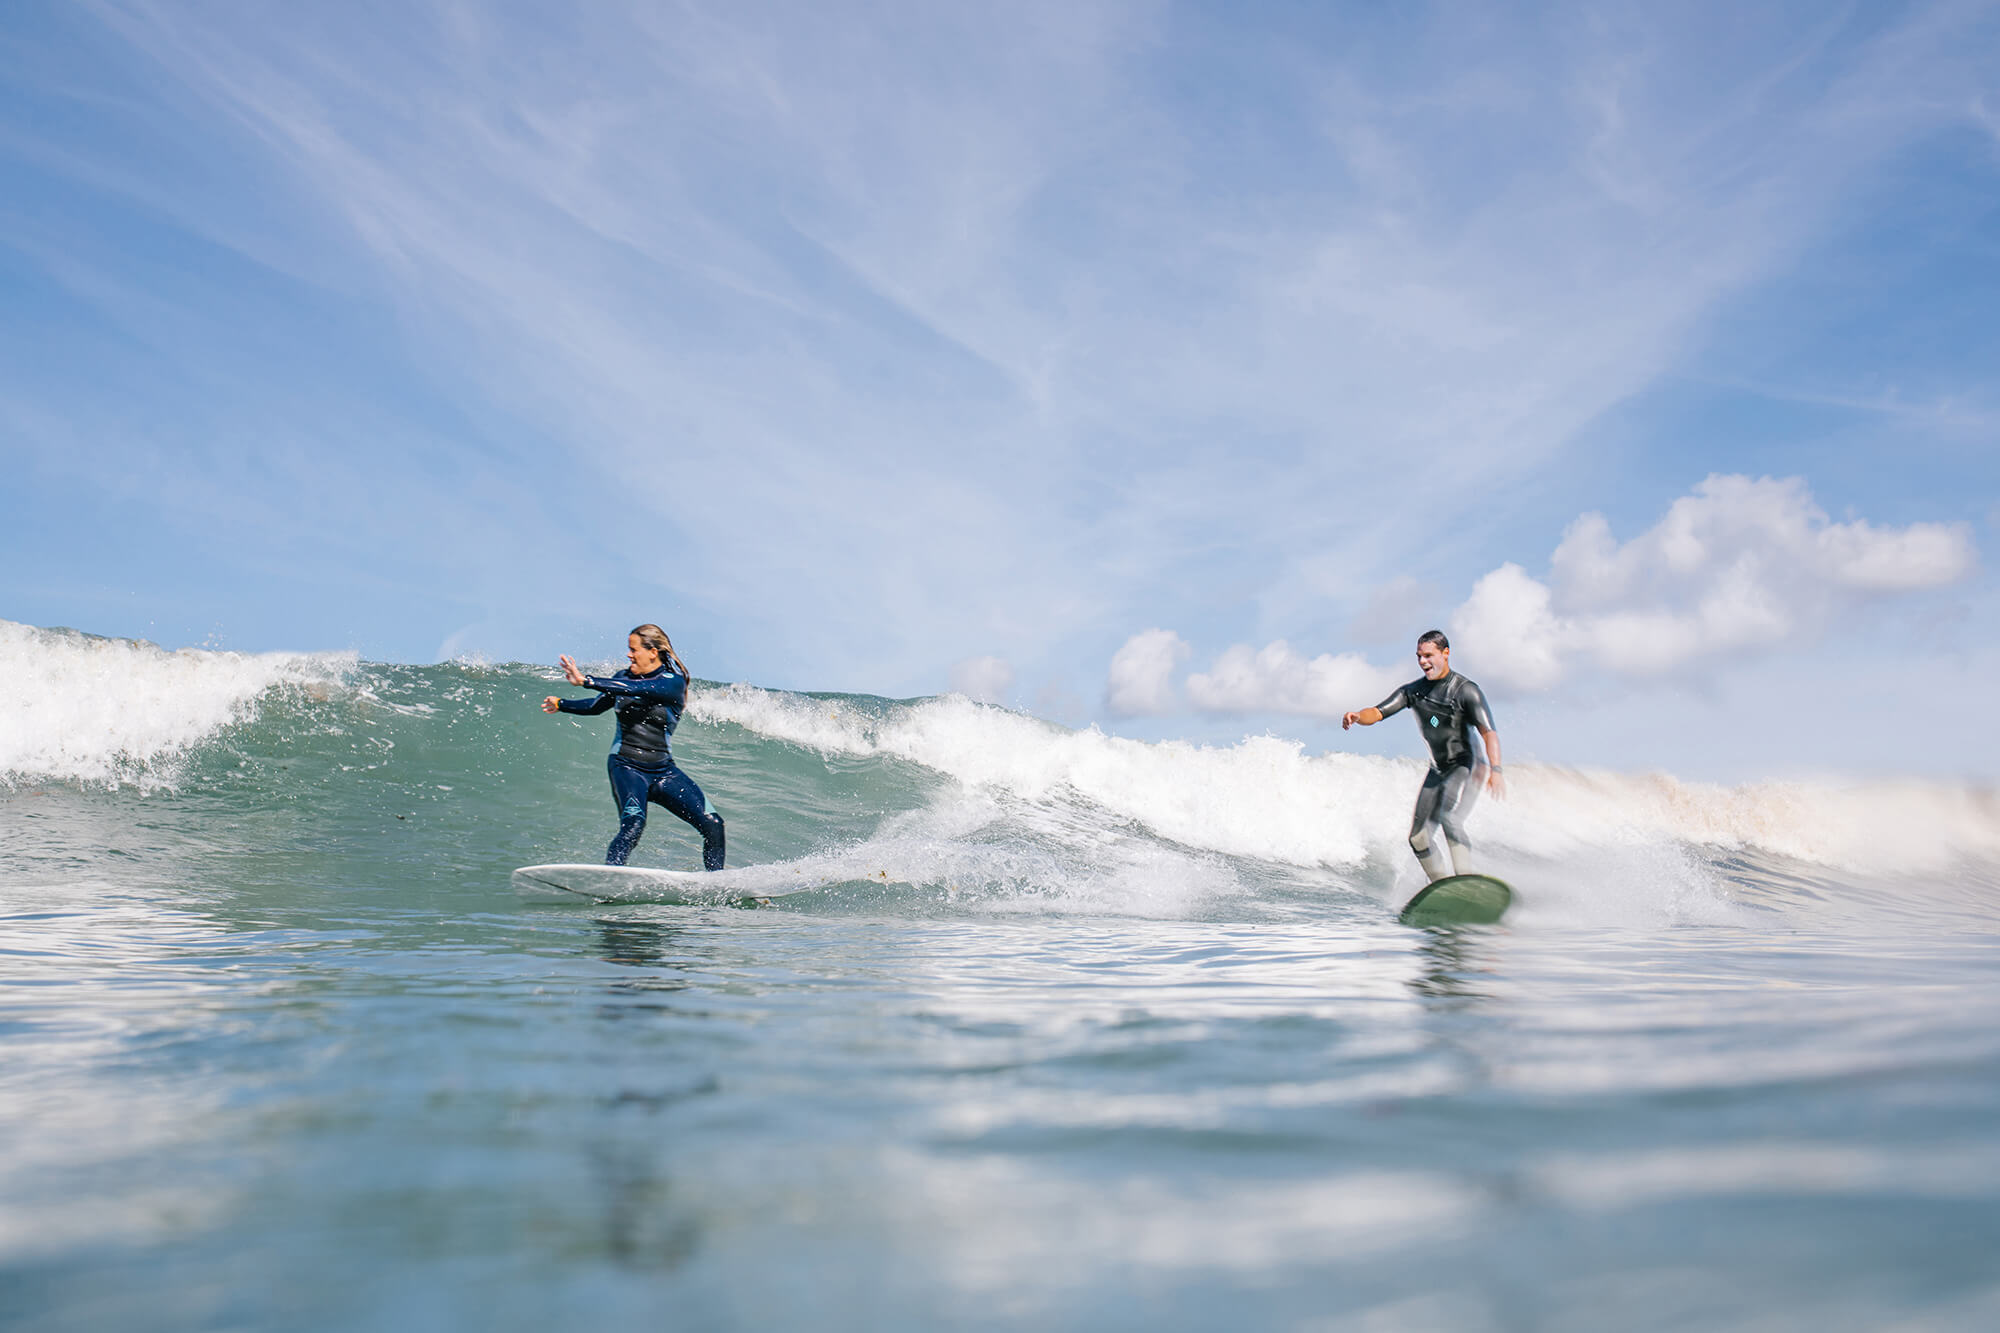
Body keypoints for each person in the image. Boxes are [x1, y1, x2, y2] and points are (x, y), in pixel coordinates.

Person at [541, 624, 726, 870]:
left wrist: (586, 680)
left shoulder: (672, 682)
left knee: (714, 824)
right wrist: (562, 703)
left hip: (664, 772)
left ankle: (715, 882)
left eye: (633, 649)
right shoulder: (621, 678)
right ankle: (611, 877)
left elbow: (640, 689)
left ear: (653, 652)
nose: (628, 654)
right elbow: (596, 706)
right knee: (633, 825)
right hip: (626, 766)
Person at [1342, 630, 1503, 882]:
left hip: (1466, 766)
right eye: (1419, 656)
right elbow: (1378, 711)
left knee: (1449, 819)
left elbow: (1489, 733)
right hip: (1437, 769)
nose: (1423, 661)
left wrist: (1496, 769)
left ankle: (1466, 881)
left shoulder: (1465, 690)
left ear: (1446, 653)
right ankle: (1442, 887)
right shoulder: (1414, 692)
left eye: (1429, 655)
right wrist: (1358, 717)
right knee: (1417, 838)